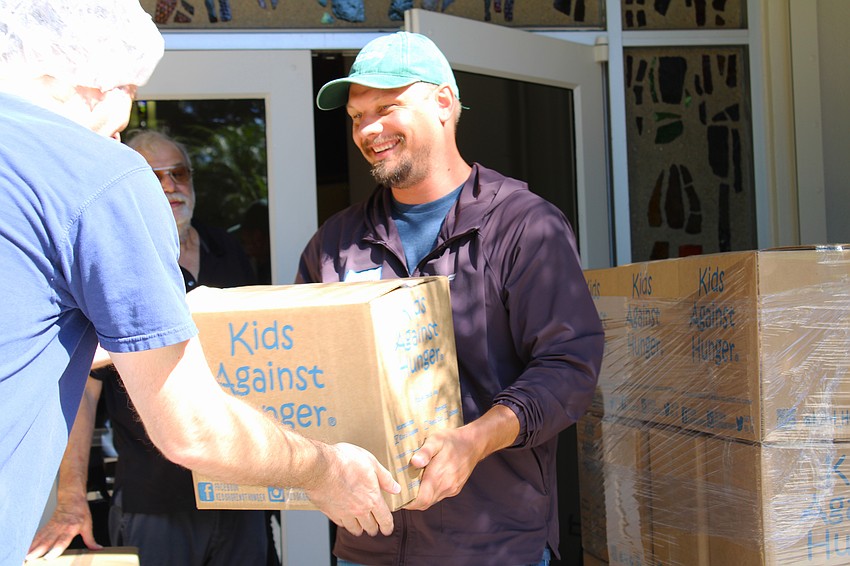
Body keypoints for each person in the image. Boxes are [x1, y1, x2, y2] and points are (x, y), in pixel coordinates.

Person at [0, 2, 398, 564]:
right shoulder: (98, 174)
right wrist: (326, 470)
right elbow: (190, 428)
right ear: (108, 85)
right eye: (129, 99)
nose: (118, 138)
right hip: (156, 497)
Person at [301, 31, 605, 566]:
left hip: (494, 548)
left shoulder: (522, 225)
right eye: (355, 117)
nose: (368, 130)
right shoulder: (335, 243)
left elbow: (570, 365)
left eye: (386, 108)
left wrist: (477, 439)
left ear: (443, 102)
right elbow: (304, 376)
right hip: (365, 547)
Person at [28, 130, 271, 566]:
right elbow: (84, 388)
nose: (170, 186)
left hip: (241, 484)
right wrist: (70, 498)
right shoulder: (116, 260)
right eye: (152, 176)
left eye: (178, 173)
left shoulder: (227, 249)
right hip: (155, 499)